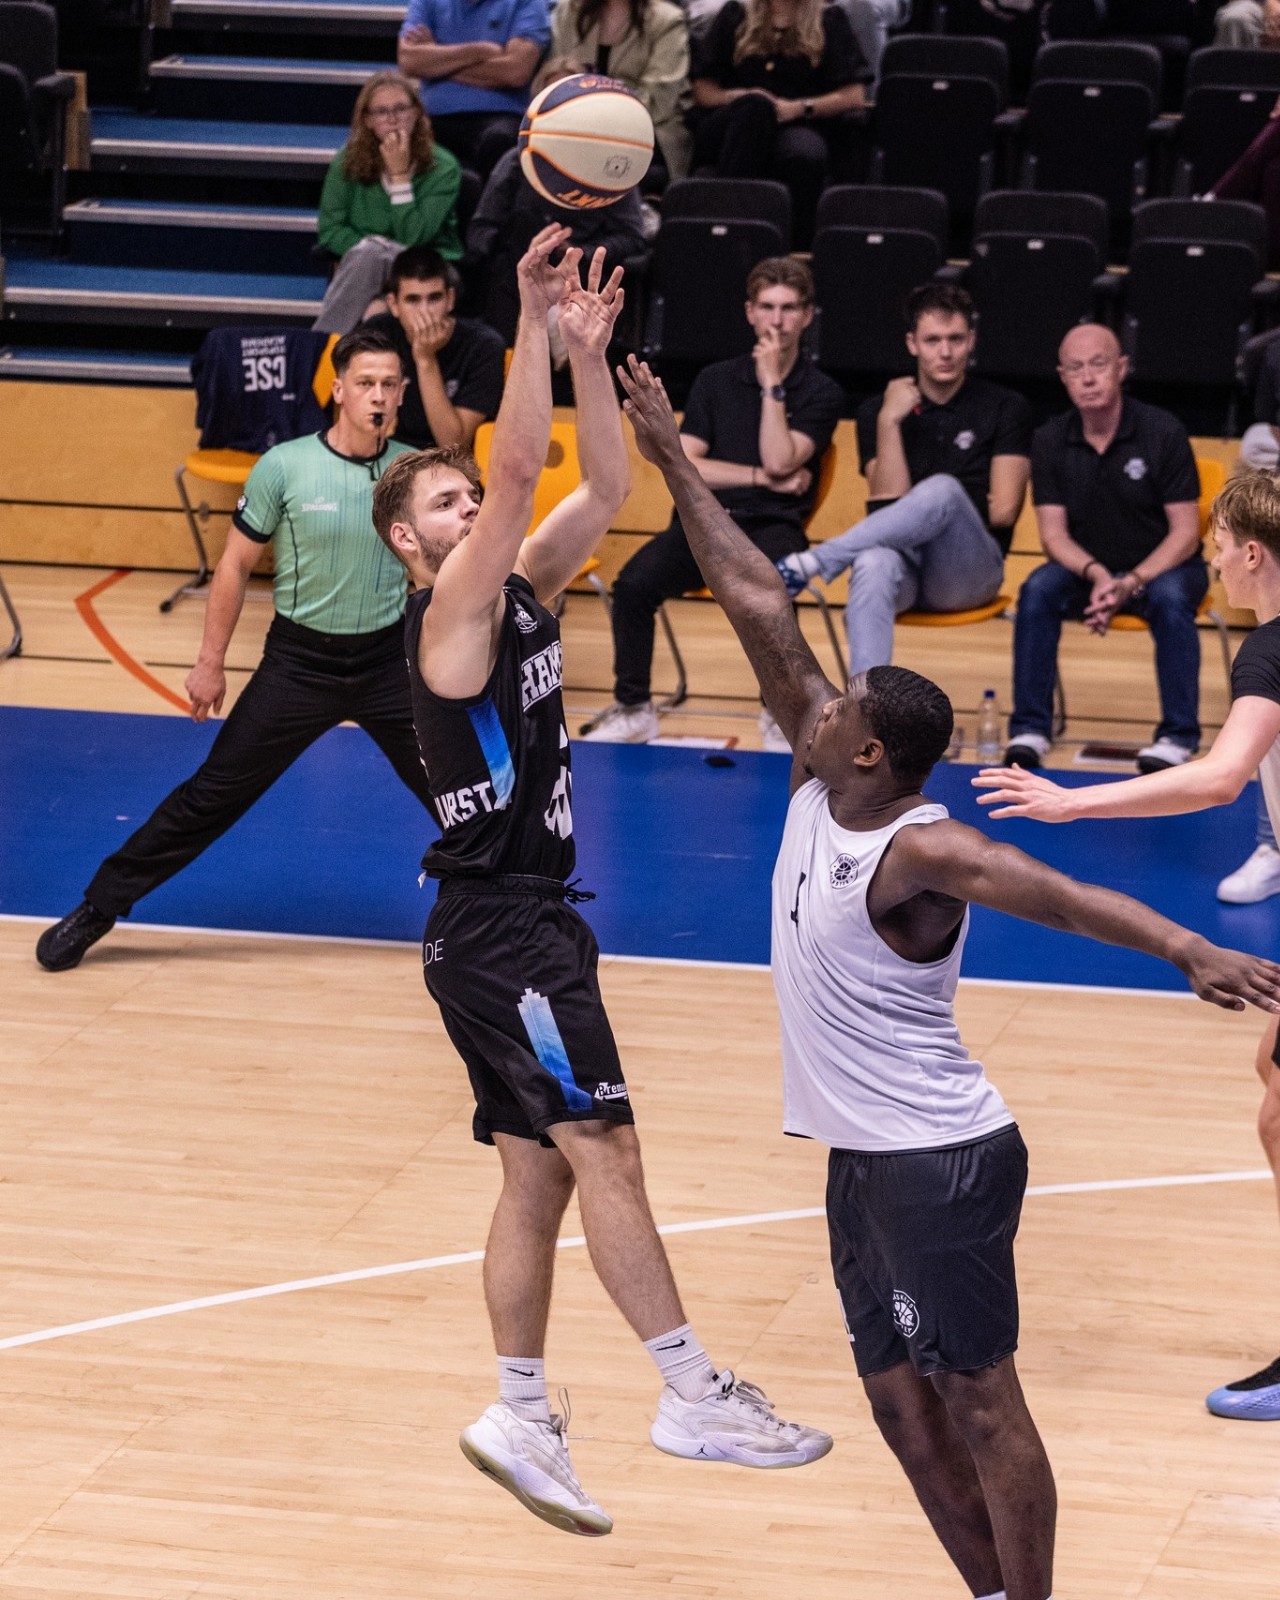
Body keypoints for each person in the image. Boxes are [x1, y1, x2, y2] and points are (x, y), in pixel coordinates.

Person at [615, 352, 1280, 1598]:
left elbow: (1059, 895)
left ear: (868, 749)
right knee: (895, 1401)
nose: (809, 707)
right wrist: (669, 461)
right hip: (860, 1159)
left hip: (940, 1159)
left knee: (976, 1399)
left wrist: (1187, 947)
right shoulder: (822, 777)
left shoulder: (920, 847)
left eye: (834, 709)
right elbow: (754, 597)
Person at [370, 227, 832, 1537]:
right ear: (409, 543)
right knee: (608, 1148)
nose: (473, 505)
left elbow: (608, 479)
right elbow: (521, 469)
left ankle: (519, 1413)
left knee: (541, 1176)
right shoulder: (449, 618)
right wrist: (529, 314)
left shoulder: (518, 589)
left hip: (510, 931)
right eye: (447, 505)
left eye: (467, 495)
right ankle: (691, 1394)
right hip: (505, 935)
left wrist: (586, 353)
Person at [974, 465, 1280, 1423]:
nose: (1215, 562)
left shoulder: (1270, 649)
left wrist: (1073, 802)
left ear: (1254, 553)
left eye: (1219, 548)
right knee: (1274, 1081)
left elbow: (1220, 778)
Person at [35, 329, 430, 973]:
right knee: (210, 797)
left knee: (459, 791)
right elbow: (234, 565)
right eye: (365, 383)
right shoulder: (285, 465)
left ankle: (528, 911)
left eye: (389, 384)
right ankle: (98, 907)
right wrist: (209, 662)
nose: (378, 396)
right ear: (338, 390)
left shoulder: (414, 471)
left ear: (403, 393)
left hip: (388, 664)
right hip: (300, 665)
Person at [584, 255, 843, 749]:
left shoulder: (821, 391)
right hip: (702, 520)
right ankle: (635, 708)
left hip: (771, 525)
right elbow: (684, 462)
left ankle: (781, 715)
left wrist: (772, 386)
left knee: (776, 592)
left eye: (789, 308)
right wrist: (761, 477)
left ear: (808, 315)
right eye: (767, 307)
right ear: (750, 312)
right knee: (633, 585)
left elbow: (780, 456)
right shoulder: (715, 380)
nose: (777, 320)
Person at [777, 283, 1031, 675]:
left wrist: (940, 506)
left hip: (968, 573)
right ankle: (867, 701)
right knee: (872, 561)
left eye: (955, 339)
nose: (945, 352)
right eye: (932, 340)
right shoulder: (877, 410)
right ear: (912, 343)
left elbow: (1003, 511)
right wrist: (890, 422)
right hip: (905, 571)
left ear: (971, 341)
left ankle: (818, 560)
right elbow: (887, 504)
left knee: (944, 489)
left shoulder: (1006, 406)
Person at [1003, 323, 1206, 774]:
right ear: (1062, 377)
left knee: (1172, 599)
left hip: (1163, 568)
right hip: (1088, 571)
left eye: (1098, 365)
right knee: (1037, 590)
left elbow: (1185, 533)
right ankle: (1030, 729)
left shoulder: (1163, 431)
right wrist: (1098, 576)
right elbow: (1053, 536)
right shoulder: (1049, 439)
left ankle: (1178, 737)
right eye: (1076, 368)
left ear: (1121, 368)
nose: (1088, 377)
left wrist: (1130, 582)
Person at [464, 58, 650, 346]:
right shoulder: (516, 162)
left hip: (581, 275)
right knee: (521, 234)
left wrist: (578, 252)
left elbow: (632, 237)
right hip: (518, 272)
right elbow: (480, 232)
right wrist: (528, 250)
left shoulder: (610, 166)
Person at [689, 0, 871, 247]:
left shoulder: (830, 20)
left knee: (804, 153)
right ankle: (730, 231)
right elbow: (703, 91)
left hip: (799, 119)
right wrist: (741, 96)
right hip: (736, 122)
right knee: (755, 108)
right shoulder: (735, 14)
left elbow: (853, 96)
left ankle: (795, 247)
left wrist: (800, 107)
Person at [314, 71, 463, 334]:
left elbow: (414, 238)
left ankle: (320, 345)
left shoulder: (443, 167)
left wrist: (400, 177)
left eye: (401, 109)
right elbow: (330, 229)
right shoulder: (346, 163)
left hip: (427, 268)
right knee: (374, 309)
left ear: (416, 113)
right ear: (368, 120)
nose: (392, 119)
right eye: (382, 112)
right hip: (363, 271)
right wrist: (372, 251)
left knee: (372, 257)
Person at [362, 244, 505, 450]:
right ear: (393, 304)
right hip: (390, 453)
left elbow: (453, 446)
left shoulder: (484, 346)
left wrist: (426, 359)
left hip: (449, 462)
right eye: (413, 300)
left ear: (450, 299)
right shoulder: (377, 333)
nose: (425, 311)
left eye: (434, 298)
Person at [397, 0, 551, 182]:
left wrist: (437, 61)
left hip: (502, 117)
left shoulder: (527, 2)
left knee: (500, 141)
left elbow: (515, 72)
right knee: (406, 136)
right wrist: (481, 51)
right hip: (434, 117)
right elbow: (409, 61)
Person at [550, 0, 693, 182]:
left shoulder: (667, 20)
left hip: (644, 134)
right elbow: (556, 80)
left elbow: (658, 98)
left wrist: (597, 119)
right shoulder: (568, 12)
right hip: (573, 130)